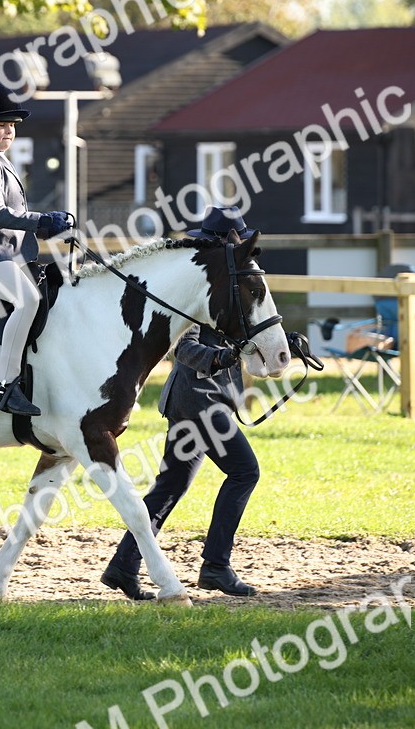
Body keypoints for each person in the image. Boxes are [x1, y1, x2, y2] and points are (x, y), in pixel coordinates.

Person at [100, 207, 262, 600]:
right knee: (244, 472)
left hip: (199, 401)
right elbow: (183, 348)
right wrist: (221, 358)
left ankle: (123, 566)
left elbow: (244, 330)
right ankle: (216, 566)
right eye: (238, 241)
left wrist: (279, 341)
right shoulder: (195, 283)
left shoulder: (225, 283)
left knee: (171, 485)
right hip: (199, 400)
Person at [0, 84, 70, 417]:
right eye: (1, 125)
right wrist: (41, 221)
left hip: (8, 254)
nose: (9, 130)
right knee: (28, 300)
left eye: (12, 125)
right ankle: (4, 385)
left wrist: (51, 225)